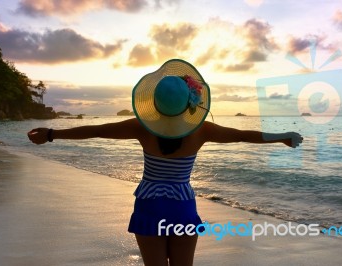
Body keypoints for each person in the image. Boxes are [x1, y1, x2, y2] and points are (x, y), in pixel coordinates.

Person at [28, 59, 303, 266]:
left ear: (154, 103)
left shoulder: (140, 127)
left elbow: (96, 130)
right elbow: (244, 136)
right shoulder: (202, 130)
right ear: (189, 103)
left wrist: (52, 134)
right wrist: (282, 137)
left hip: (149, 203)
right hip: (181, 205)